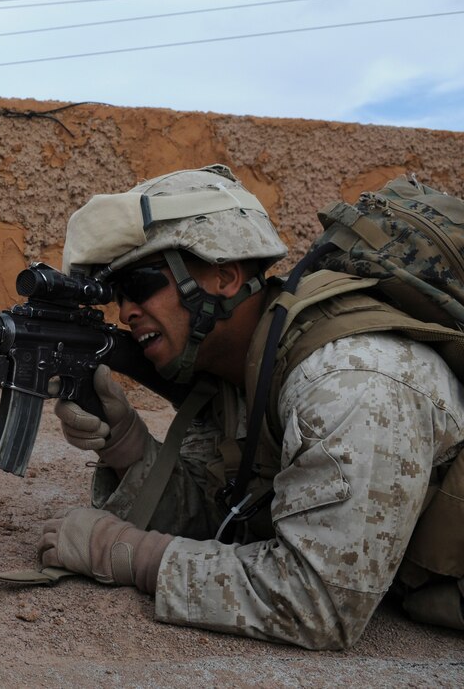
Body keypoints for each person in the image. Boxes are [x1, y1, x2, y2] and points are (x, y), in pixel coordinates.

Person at [37, 164, 464, 649]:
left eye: (140, 286)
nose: (126, 312)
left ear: (224, 276)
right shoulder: (244, 371)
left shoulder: (349, 380)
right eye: (118, 297)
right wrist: (126, 447)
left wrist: (134, 556)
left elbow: (317, 603)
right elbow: (228, 517)